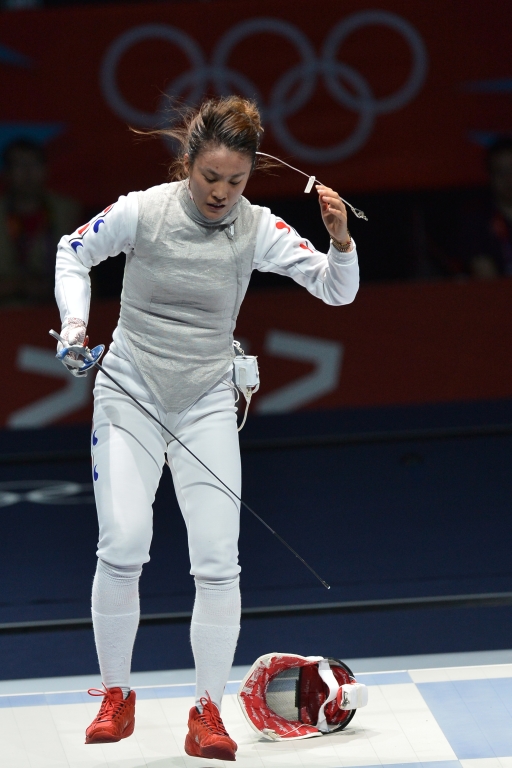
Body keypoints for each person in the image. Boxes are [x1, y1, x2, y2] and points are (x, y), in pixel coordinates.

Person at [54, 96, 359, 761]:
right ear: (187, 163)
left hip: (205, 400)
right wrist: (76, 326)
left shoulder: (258, 228)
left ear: (251, 176)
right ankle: (115, 694)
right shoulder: (142, 210)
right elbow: (71, 252)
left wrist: (341, 241)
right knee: (124, 543)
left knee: (219, 562)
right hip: (130, 391)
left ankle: (208, 713)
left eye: (236, 181)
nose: (222, 192)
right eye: (210, 177)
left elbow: (336, 290)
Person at [0, 138, 80, 306]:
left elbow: (87, 276)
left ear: (46, 169)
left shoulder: (67, 212)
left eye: (34, 164)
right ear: (6, 172)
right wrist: (16, 286)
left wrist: (52, 287)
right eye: (19, 165)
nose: (27, 172)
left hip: (56, 312)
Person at [460, 136, 512, 279]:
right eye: (501, 172)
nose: (509, 179)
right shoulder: (477, 220)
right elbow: (486, 277)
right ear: (490, 176)